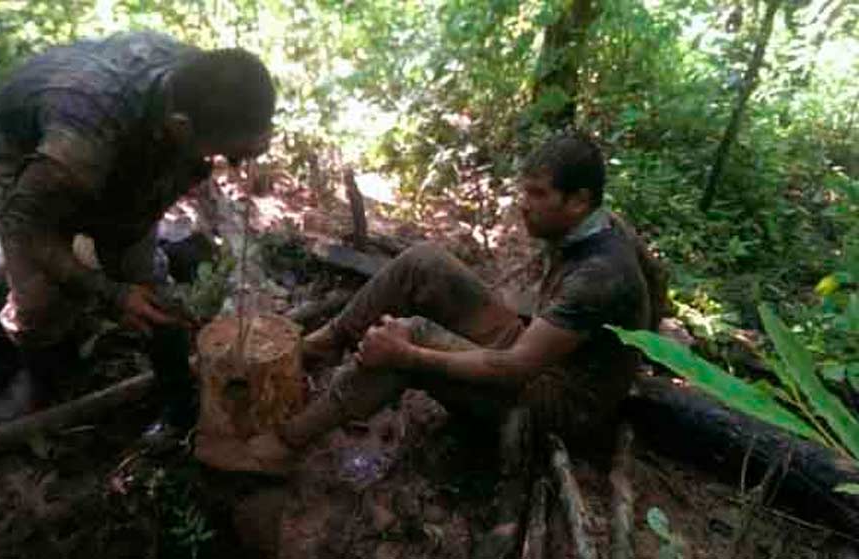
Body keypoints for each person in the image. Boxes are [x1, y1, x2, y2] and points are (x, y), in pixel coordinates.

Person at [241, 132, 667, 557]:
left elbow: (514, 368)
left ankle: (287, 442)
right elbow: (656, 280)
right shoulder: (601, 226)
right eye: (525, 190)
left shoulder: (600, 277)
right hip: (543, 353)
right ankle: (325, 343)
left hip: (558, 403)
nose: (523, 202)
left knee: (407, 337)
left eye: (538, 194)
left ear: (578, 201)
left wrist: (407, 355)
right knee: (423, 260)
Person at [0, 31, 276, 452]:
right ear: (182, 129)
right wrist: (112, 293)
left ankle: (179, 407)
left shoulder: (204, 86)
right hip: (31, 153)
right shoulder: (79, 141)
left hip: (128, 140)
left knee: (150, 287)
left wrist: (241, 150)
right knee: (39, 304)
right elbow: (28, 228)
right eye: (221, 151)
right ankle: (40, 379)